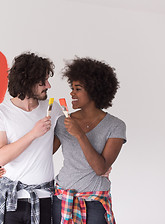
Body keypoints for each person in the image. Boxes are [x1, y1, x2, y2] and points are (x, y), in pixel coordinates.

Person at [0, 52, 63, 224]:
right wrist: (33, 134)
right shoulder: (0, 113)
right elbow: (1, 156)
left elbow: (63, 139)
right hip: (13, 199)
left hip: (45, 198)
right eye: (42, 81)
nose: (48, 85)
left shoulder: (52, 108)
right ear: (27, 81)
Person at [52, 57, 126, 224]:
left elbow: (100, 168)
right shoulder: (63, 122)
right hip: (63, 198)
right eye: (72, 88)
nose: (71, 93)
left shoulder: (116, 126)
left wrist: (80, 135)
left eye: (77, 89)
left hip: (95, 202)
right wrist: (8, 164)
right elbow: (44, 153)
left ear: (94, 90)